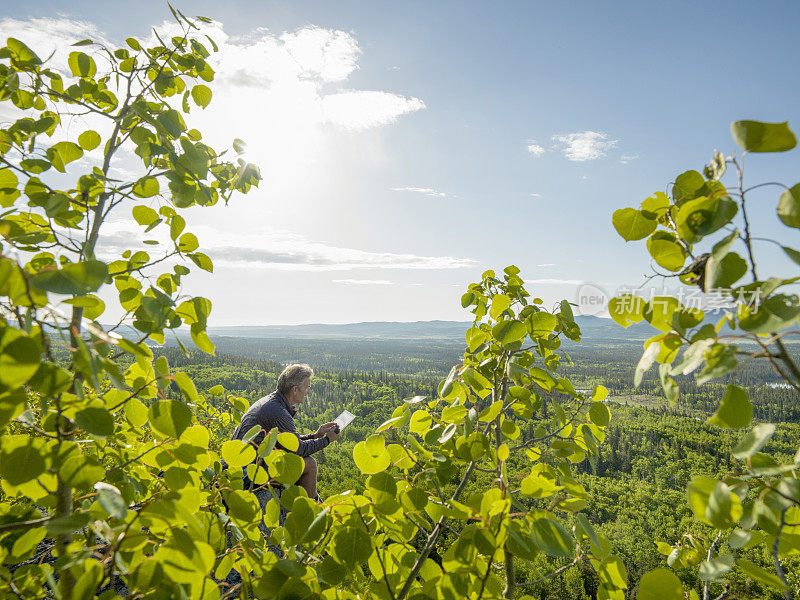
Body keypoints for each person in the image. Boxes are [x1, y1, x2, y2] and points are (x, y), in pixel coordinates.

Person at [230, 363, 339, 501]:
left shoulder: (272, 403)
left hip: (241, 466)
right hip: (248, 474)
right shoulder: (279, 412)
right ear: (295, 390)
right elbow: (297, 449)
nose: (308, 392)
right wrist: (327, 440)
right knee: (310, 464)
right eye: (307, 387)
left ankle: (310, 501)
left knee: (294, 463)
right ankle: (309, 511)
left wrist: (315, 435)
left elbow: (288, 442)